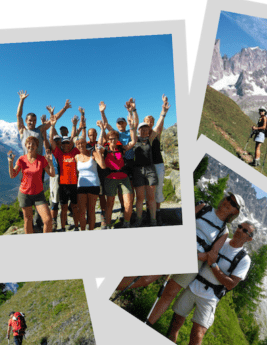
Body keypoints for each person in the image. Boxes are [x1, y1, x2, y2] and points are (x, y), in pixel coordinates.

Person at [116, 192, 243, 323]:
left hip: (196, 261)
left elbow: (211, 255)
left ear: (235, 212)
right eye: (229, 199)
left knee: (169, 294)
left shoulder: (224, 231)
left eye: (233, 204)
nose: (228, 203)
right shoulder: (205, 208)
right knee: (146, 278)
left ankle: (148, 323)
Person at [167, 222, 254, 345]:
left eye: (245, 231)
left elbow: (231, 284)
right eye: (239, 227)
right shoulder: (222, 241)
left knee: (197, 336)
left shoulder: (244, 259)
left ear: (249, 238)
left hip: (210, 297)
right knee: (175, 322)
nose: (240, 230)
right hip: (193, 285)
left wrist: (214, 265)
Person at [8, 135, 55, 234]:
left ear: (37, 146)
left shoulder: (41, 159)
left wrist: (50, 163)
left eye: (33, 144)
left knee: (47, 220)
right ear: (25, 146)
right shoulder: (21, 159)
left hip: (38, 194)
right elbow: (13, 175)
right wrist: (10, 163)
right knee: (28, 221)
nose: (31, 146)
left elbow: (52, 174)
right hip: (25, 194)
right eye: (29, 144)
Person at [100, 118, 137, 229]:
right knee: (110, 204)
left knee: (128, 203)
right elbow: (98, 146)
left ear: (117, 139)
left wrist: (132, 126)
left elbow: (133, 141)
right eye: (110, 139)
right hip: (110, 178)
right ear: (108, 139)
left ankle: (126, 223)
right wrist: (102, 129)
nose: (112, 141)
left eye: (115, 138)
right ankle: (108, 224)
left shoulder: (122, 149)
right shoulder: (104, 150)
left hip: (124, 178)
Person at [75, 114, 107, 231]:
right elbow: (80, 138)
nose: (81, 145)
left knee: (96, 204)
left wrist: (102, 129)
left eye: (93, 134)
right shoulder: (79, 154)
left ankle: (102, 217)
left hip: (96, 179)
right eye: (90, 135)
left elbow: (103, 165)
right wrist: (82, 120)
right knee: (82, 210)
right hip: (83, 184)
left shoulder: (95, 149)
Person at [143, 94, 171, 224]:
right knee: (148, 190)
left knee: (158, 188)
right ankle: (149, 212)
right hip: (147, 166)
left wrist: (163, 113)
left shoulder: (155, 134)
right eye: (147, 121)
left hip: (158, 164)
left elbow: (160, 125)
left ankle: (157, 213)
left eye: (151, 122)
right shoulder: (142, 137)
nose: (149, 123)